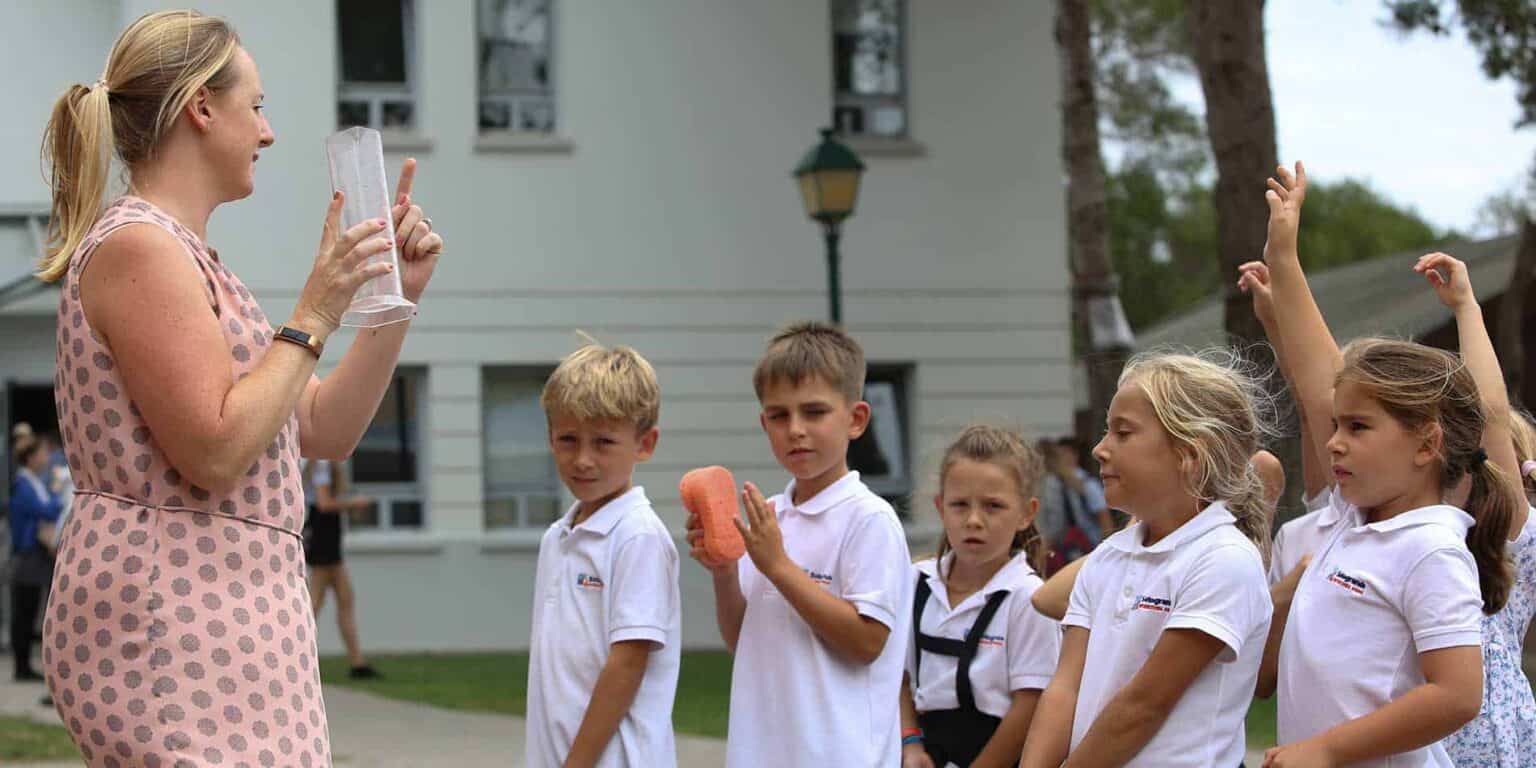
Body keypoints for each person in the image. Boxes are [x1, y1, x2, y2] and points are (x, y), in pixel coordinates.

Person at [35, 10, 443, 765]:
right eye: (256, 105)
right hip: (175, 619)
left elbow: (320, 426)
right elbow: (217, 450)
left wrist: (394, 299)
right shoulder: (141, 248)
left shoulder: (185, 253)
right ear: (200, 107)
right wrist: (316, 310)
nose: (267, 131)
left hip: (219, 619)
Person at [1261, 162, 1511, 767]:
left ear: (1426, 445)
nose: (1335, 442)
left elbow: (1457, 695)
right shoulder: (1352, 526)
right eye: (1336, 425)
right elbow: (1320, 382)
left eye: (1358, 428)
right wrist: (1285, 260)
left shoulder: (1430, 548)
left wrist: (1323, 749)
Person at [1020, 352, 1275, 768]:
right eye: (1107, 432)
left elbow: (1143, 706)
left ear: (1189, 455)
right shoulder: (1108, 557)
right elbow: (1064, 688)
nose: (1101, 449)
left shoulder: (1224, 560)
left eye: (1123, 433)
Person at [689, 321, 912, 766]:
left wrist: (780, 568)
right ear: (763, 422)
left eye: (814, 412)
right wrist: (725, 571)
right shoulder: (770, 516)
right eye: (779, 415)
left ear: (856, 419)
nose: (795, 429)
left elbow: (867, 642)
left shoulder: (869, 520)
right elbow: (741, 639)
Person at [525, 341, 681, 767]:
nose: (583, 459)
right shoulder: (557, 537)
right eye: (568, 440)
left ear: (644, 444)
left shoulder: (638, 536)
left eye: (604, 442)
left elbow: (627, 665)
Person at [899, 425, 1060, 768]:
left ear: (1026, 513)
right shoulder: (915, 583)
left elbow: (1030, 705)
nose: (974, 520)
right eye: (960, 505)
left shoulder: (1028, 597)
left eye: (993, 506)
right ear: (941, 507)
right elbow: (899, 676)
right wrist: (910, 743)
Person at [302, 459, 378, 679]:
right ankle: (295, 654)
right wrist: (354, 503)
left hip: (327, 534)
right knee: (314, 602)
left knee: (344, 598)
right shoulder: (323, 464)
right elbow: (324, 503)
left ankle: (358, 663)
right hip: (323, 534)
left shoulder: (322, 463)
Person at [9, 435, 62, 682]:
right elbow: (47, 510)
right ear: (30, 458)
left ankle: (25, 666)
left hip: (34, 556)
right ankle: (21, 667)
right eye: (42, 453)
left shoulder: (33, 482)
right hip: (27, 555)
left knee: (29, 609)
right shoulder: (24, 485)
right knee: (24, 611)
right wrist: (58, 493)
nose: (46, 458)